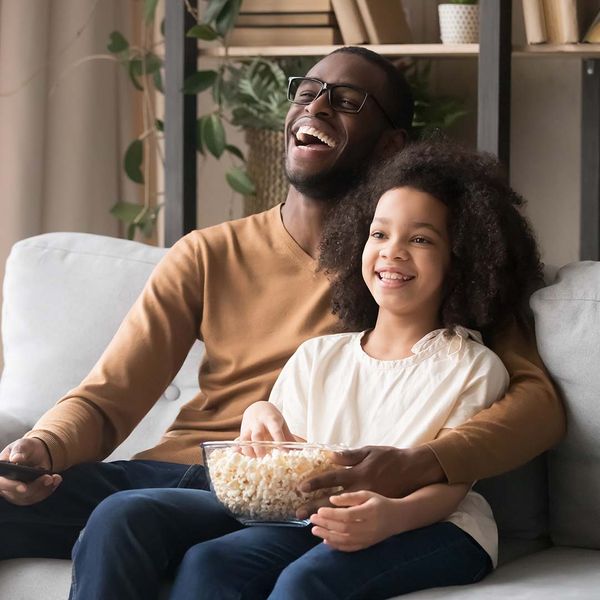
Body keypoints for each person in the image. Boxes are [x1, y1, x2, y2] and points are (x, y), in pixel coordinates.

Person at [0, 47, 563, 563]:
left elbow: (537, 404)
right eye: (306, 91)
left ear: (392, 145)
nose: (316, 107)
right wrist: (42, 448)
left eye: (346, 101)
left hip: (292, 498)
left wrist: (424, 463)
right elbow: (107, 399)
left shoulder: (418, 272)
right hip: (176, 474)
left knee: (131, 521)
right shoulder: (207, 253)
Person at [68, 140, 543, 599]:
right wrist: (258, 416)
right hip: (313, 515)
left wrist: (389, 517)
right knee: (208, 561)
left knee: (304, 584)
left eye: (420, 239)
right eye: (379, 234)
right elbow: (285, 457)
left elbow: (453, 484)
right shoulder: (319, 356)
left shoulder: (472, 366)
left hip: (437, 526)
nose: (392, 251)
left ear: (462, 261)